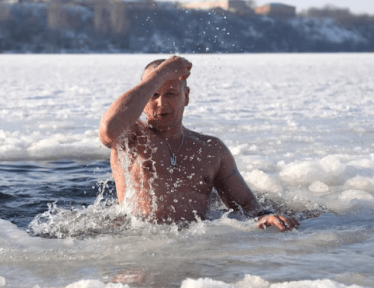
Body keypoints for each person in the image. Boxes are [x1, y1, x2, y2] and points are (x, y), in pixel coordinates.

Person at [99, 56, 299, 231]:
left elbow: (245, 205)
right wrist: (159, 75)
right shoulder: (131, 138)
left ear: (185, 97)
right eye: (153, 94)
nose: (160, 104)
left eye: (170, 94)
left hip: (193, 243)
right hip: (139, 240)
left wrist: (265, 217)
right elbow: (107, 130)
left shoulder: (211, 150)